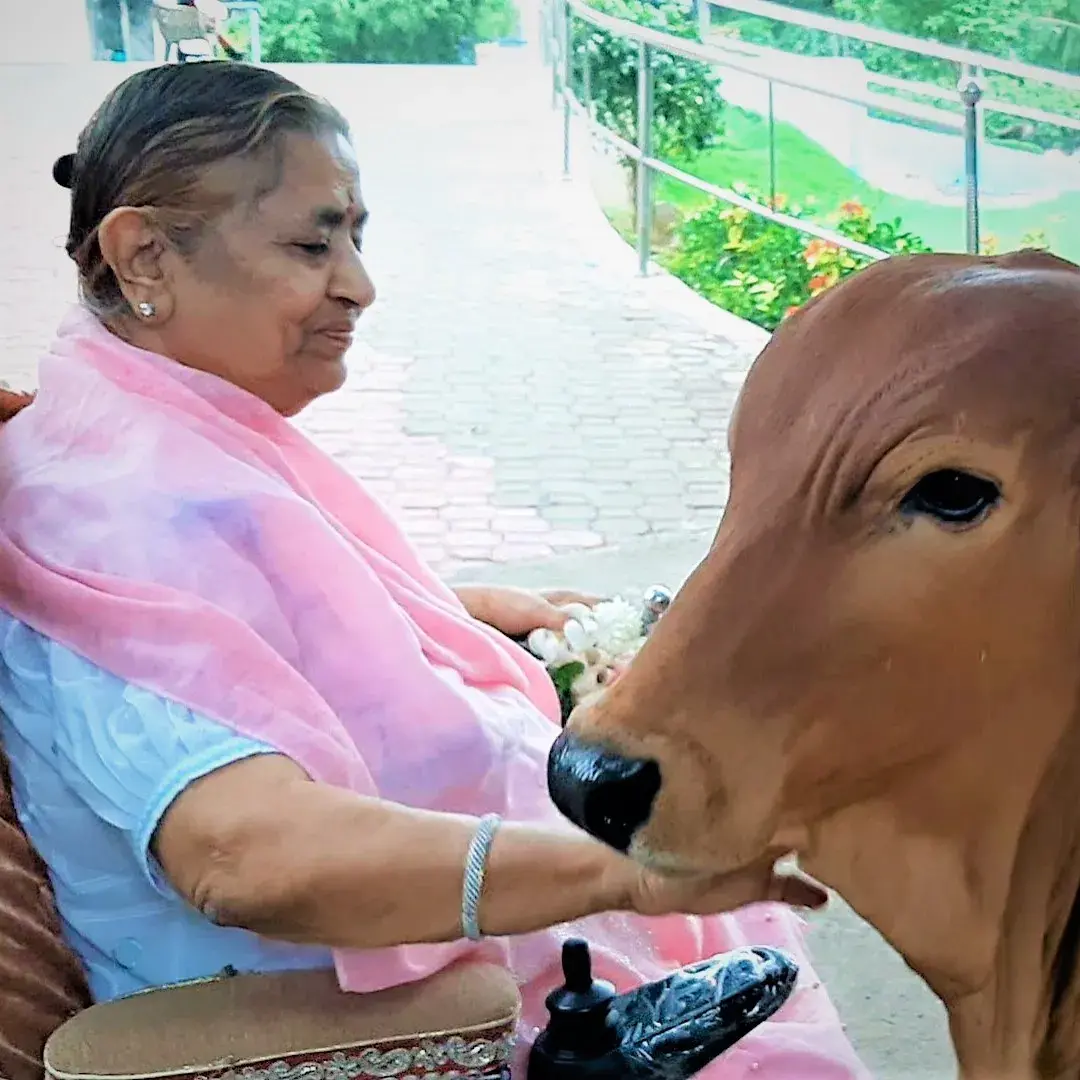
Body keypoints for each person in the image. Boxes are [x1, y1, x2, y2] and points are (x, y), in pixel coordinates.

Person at [0, 63, 867, 1078]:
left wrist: (452, 617)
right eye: (312, 241)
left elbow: (219, 645)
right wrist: (619, 877)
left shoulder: (142, 437)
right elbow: (242, 854)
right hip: (342, 1025)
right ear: (144, 255)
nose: (358, 284)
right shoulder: (109, 506)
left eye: (355, 237)